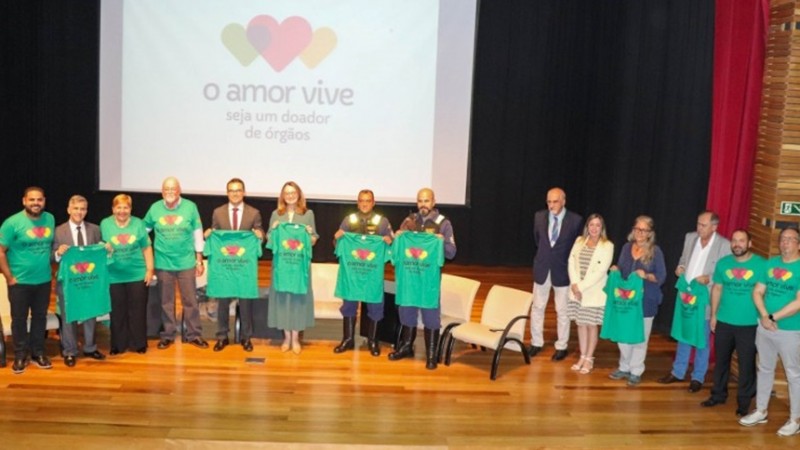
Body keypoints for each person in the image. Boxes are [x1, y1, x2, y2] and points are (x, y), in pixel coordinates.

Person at [658, 211, 731, 393]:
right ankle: (678, 371)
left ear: (714, 227)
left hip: (705, 299)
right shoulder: (690, 238)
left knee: (702, 339)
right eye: (698, 224)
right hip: (686, 295)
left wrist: (710, 278)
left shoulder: (724, 245)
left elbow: (725, 273)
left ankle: (698, 376)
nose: (699, 228)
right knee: (683, 334)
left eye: (703, 225)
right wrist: (680, 267)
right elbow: (684, 259)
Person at [739, 227, 800, 437]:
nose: (785, 243)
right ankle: (761, 410)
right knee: (764, 368)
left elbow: (798, 302)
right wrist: (765, 316)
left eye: (790, 240)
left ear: (798, 244)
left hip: (790, 330)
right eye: (783, 239)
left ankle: (795, 419)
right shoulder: (770, 263)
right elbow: (757, 291)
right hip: (765, 327)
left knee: (793, 374)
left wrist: (773, 318)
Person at [388, 187, 456, 370]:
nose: (423, 204)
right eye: (420, 201)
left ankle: (432, 354)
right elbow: (395, 247)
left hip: (428, 280)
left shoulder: (443, 223)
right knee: (406, 312)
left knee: (431, 316)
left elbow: (451, 252)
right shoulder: (409, 221)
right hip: (409, 279)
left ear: (433, 202)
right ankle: (406, 346)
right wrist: (398, 237)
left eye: (426, 201)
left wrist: (440, 242)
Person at [700, 230, 763, 416]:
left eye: (741, 241)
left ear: (749, 243)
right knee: (721, 362)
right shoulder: (723, 264)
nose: (737, 244)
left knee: (746, 365)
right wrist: (713, 315)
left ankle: (744, 403)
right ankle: (718, 395)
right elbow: (717, 289)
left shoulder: (761, 265)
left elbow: (764, 293)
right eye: (734, 240)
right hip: (724, 322)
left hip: (750, 324)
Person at [143, 177, 208, 350]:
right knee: (166, 301)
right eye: (166, 189)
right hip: (163, 263)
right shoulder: (155, 208)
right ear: (162, 191)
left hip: (186, 262)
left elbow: (197, 233)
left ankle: (194, 334)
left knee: (190, 301)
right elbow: (143, 231)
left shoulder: (190, 207)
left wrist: (199, 260)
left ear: (179, 191)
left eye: (173, 189)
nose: (170, 192)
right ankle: (168, 335)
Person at [0, 187, 56, 373]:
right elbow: (0, 252)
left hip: (43, 281)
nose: (36, 203)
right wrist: (9, 277)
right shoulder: (12, 223)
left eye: (39, 199)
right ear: (24, 201)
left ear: (44, 201)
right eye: (32, 200)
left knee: (40, 318)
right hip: (20, 283)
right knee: (19, 320)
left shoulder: (50, 219)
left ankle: (38, 353)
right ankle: (19, 355)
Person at [204, 178, 264, 352]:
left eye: (238, 190)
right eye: (231, 190)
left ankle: (246, 337)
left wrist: (259, 234)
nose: (235, 193)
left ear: (244, 192)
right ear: (227, 193)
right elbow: (215, 232)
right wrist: (209, 233)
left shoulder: (254, 213)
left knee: (246, 302)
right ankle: (222, 336)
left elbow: (260, 233)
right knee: (222, 301)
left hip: (243, 266)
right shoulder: (218, 212)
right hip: (224, 266)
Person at [332, 189, 393, 356]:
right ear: (357, 202)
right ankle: (348, 339)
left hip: (372, 274)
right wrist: (336, 238)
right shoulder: (348, 220)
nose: (365, 203)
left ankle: (373, 341)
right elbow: (337, 245)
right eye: (361, 200)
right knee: (349, 305)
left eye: (368, 200)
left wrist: (389, 241)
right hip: (352, 274)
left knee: (375, 305)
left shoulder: (382, 221)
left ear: (373, 202)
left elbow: (391, 246)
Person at [608, 215, 667, 386]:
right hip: (626, 301)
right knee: (623, 336)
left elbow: (662, 277)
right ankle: (624, 366)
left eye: (644, 230)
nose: (640, 233)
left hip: (646, 301)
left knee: (640, 338)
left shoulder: (656, 251)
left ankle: (636, 370)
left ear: (650, 233)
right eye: (637, 229)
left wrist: (647, 275)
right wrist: (616, 269)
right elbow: (622, 269)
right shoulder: (627, 248)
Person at [52, 195, 107, 367]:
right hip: (68, 282)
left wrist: (106, 248)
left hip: (89, 280)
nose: (79, 212)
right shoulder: (58, 231)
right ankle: (69, 351)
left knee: (90, 313)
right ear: (69, 210)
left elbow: (99, 255)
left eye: (82, 209)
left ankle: (90, 347)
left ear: (86, 211)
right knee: (69, 316)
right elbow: (51, 257)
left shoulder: (95, 230)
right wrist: (58, 253)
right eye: (75, 208)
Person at [529, 187, 583, 361]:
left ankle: (561, 346)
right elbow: (538, 240)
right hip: (542, 268)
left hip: (563, 271)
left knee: (562, 310)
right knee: (537, 307)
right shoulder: (539, 217)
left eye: (555, 201)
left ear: (564, 201)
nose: (551, 205)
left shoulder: (575, 220)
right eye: (549, 202)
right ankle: (536, 342)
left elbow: (577, 247)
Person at [266, 181, 318, 355]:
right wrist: (272, 231)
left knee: (297, 301)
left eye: (293, 192)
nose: (290, 195)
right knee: (282, 300)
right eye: (287, 193)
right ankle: (286, 338)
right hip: (281, 267)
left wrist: (310, 235)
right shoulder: (276, 214)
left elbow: (313, 240)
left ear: (299, 194)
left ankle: (295, 338)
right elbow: (269, 239)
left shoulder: (308, 214)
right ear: (282, 196)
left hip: (299, 267)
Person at [101, 194, 154, 355]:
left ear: (130, 209)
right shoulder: (105, 224)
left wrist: (150, 270)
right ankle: (118, 345)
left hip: (137, 274)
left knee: (138, 311)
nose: (122, 211)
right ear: (113, 209)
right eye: (119, 207)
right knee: (117, 312)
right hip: (113, 276)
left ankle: (139, 344)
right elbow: (100, 247)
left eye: (126, 207)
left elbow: (146, 248)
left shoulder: (138, 224)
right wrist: (104, 247)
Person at [566, 213, 614, 374]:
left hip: (593, 292)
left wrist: (580, 287)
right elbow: (571, 261)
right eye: (591, 225)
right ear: (587, 226)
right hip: (576, 290)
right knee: (580, 324)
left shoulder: (607, 245)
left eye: (597, 225)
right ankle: (582, 356)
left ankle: (589, 358)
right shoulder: (579, 241)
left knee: (591, 325)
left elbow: (600, 272)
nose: (594, 228)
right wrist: (574, 285)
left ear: (602, 228)